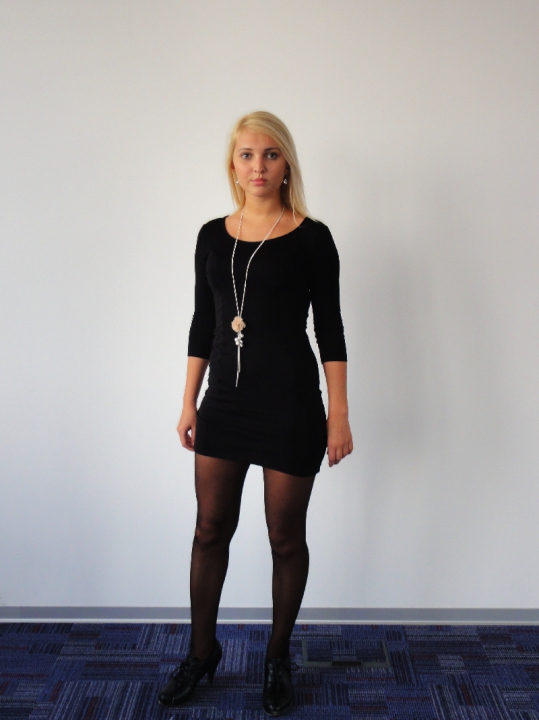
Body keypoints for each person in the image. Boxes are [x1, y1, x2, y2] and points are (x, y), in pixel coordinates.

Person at [158, 111, 353, 716]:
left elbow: (331, 330)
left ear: (286, 163)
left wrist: (339, 414)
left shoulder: (313, 238)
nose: (258, 166)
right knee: (209, 529)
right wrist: (188, 400)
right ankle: (202, 652)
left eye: (270, 154)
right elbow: (203, 321)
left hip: (292, 406)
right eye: (247, 155)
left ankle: (276, 657)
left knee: (284, 537)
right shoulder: (211, 236)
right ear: (233, 165)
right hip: (225, 404)